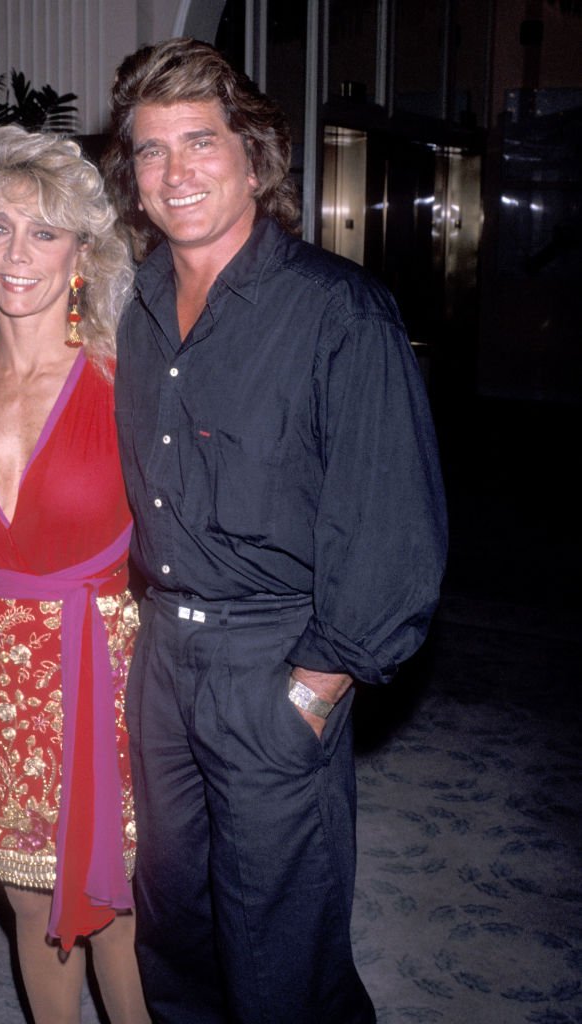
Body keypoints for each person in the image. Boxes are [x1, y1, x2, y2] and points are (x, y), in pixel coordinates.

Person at [99, 38, 448, 1024]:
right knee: (176, 927)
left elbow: (394, 528)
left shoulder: (341, 312)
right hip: (161, 660)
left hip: (274, 657)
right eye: (153, 151)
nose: (178, 172)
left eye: (201, 142)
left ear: (254, 156)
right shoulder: (133, 310)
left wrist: (315, 685)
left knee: (281, 941)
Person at [0, 124, 149, 1024]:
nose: (18, 254)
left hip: (111, 679)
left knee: (114, 912)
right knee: (31, 904)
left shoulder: (128, 386)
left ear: (81, 253)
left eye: (45, 231)